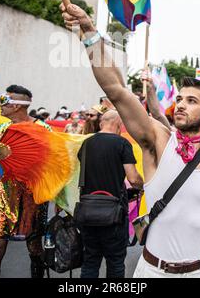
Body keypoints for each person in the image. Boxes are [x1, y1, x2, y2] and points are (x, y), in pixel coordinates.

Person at [61, 3, 200, 279]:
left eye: (192, 101)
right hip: (153, 270)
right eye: (180, 99)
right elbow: (116, 91)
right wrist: (90, 33)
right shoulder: (158, 141)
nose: (181, 105)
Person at [0, 85, 52, 279]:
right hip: (6, 194)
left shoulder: (43, 129)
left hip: (33, 196)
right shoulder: (3, 129)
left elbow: (52, 165)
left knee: (35, 249)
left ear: (18, 106)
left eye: (5, 100)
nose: (0, 104)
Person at [77, 109, 143, 278]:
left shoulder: (86, 143)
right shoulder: (122, 143)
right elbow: (133, 178)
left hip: (87, 212)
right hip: (113, 213)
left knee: (90, 261)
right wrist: (143, 185)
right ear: (118, 125)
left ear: (101, 124)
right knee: (115, 262)